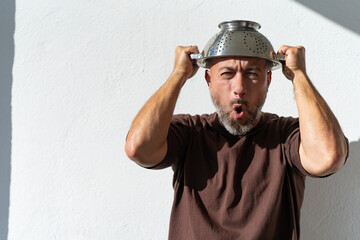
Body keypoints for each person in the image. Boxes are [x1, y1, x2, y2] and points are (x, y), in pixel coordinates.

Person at [124, 42, 348, 239]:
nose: (239, 88)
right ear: (208, 80)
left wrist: (298, 74)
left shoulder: (286, 135)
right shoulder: (190, 132)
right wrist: (177, 76)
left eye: (252, 74)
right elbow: (138, 148)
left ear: (268, 80)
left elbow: (328, 157)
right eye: (227, 74)